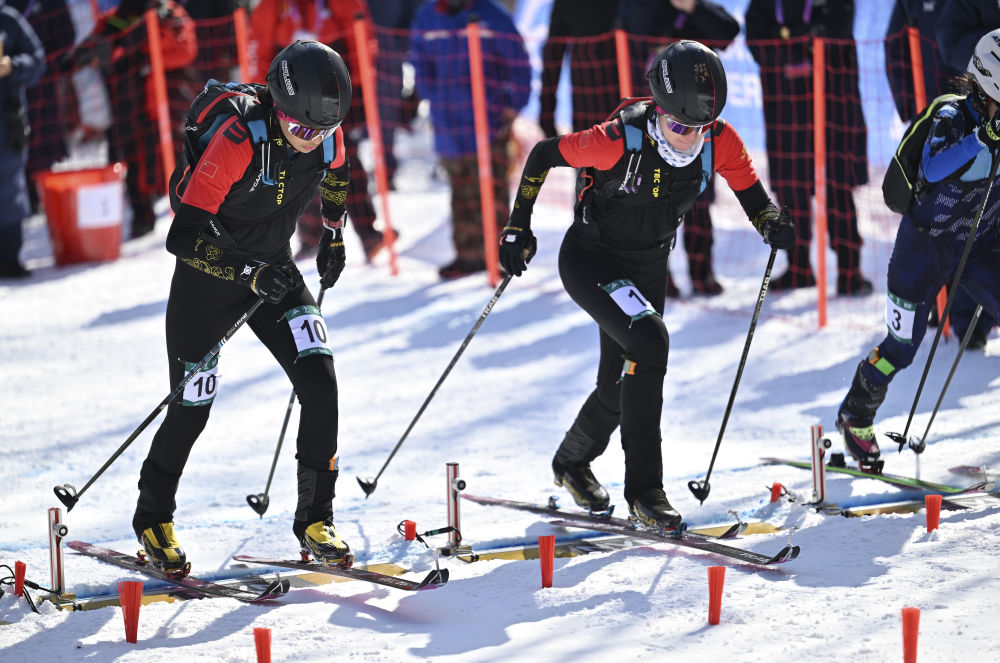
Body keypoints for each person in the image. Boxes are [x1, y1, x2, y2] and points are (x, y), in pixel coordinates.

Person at [498, 41, 795, 528]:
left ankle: (571, 460)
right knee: (650, 339)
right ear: (658, 109)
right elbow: (543, 154)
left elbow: (752, 193)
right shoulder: (618, 138)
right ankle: (645, 491)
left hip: (647, 267)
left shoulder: (719, 141)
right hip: (592, 258)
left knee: (624, 382)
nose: (688, 139)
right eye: (679, 126)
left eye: (699, 128)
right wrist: (518, 227)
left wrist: (770, 222)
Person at [132, 40, 353, 574]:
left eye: (321, 132)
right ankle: (152, 516)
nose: (312, 141)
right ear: (279, 109)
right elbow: (182, 237)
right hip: (209, 278)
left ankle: (315, 518)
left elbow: (339, 174)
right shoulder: (237, 140)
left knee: (320, 382)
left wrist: (333, 233)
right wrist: (248, 273)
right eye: (301, 130)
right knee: (192, 409)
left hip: (275, 274)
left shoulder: (324, 133)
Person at [835, 29, 1000, 473]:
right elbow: (932, 165)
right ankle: (856, 416)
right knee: (902, 346)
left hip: (979, 243)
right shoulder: (951, 115)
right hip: (923, 248)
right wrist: (982, 138)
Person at [886, 0, 997, 348]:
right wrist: (992, 55)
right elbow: (947, 38)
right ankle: (965, 322)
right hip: (969, 109)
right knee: (964, 224)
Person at [745, 0, 873, 295]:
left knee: (839, 189)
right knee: (790, 191)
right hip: (786, 111)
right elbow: (756, 43)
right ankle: (798, 268)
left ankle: (849, 270)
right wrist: (803, 39)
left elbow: (838, 34)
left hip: (833, 107)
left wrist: (788, 35)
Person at [619, 0, 740, 297]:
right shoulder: (639, 9)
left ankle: (702, 272)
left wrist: (691, 8)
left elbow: (728, 32)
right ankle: (658, 275)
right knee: (652, 198)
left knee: (699, 197)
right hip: (651, 115)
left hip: (696, 116)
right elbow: (631, 27)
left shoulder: (694, 7)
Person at [410, 0, 531, 279]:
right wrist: (432, 96)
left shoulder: (492, 16)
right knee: (460, 189)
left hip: (488, 120)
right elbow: (419, 62)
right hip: (448, 121)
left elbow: (519, 64)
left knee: (492, 190)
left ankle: (500, 255)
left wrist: (512, 105)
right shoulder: (428, 17)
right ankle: (467, 255)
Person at [0, 1, 44, 278]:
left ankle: (8, 257)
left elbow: (38, 60)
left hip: (7, 123)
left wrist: (12, 66)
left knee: (9, 189)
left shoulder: (8, 19)